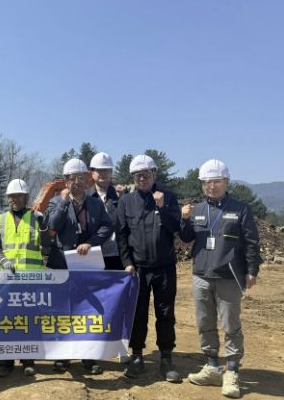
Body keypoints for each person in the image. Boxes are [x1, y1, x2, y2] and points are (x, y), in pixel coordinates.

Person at [180, 159, 262, 398]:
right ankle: (212, 367)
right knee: (204, 322)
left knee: (230, 324)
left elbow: (252, 242)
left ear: (226, 182)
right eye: (206, 182)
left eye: (216, 181)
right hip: (201, 275)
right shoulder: (197, 209)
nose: (211, 186)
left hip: (229, 276)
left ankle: (232, 371)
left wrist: (252, 270)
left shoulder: (240, 209)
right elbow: (186, 238)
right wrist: (184, 219)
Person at [116, 154, 182, 383]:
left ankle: (166, 358)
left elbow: (176, 228)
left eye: (146, 174)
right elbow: (121, 235)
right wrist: (127, 262)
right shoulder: (126, 202)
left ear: (154, 174)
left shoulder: (168, 197)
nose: (142, 179)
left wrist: (162, 208)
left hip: (165, 268)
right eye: (137, 176)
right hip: (138, 270)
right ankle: (137, 356)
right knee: (137, 314)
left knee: (165, 313)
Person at [46, 158, 113, 374]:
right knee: (63, 311)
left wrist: (91, 243)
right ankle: (63, 355)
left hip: (87, 263)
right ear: (65, 181)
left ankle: (88, 355)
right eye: (73, 178)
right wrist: (64, 202)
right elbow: (53, 226)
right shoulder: (56, 202)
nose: (78, 181)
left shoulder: (95, 203)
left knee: (87, 310)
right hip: (61, 264)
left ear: (87, 179)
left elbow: (107, 226)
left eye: (81, 177)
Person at [0, 178, 47, 377]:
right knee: (6, 320)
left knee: (29, 320)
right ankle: (5, 362)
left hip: (31, 280)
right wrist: (3, 260)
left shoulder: (36, 218)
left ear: (26, 197)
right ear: (8, 198)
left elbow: (47, 245)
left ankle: (28, 359)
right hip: (6, 280)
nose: (15, 200)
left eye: (19, 196)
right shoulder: (0, 219)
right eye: (12, 196)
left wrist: (44, 224)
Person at [88, 152, 124, 271]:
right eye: (99, 170)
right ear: (92, 173)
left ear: (111, 172)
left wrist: (121, 199)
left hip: (117, 255)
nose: (103, 173)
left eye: (106, 170)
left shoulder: (120, 196)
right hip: (93, 254)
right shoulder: (86, 198)